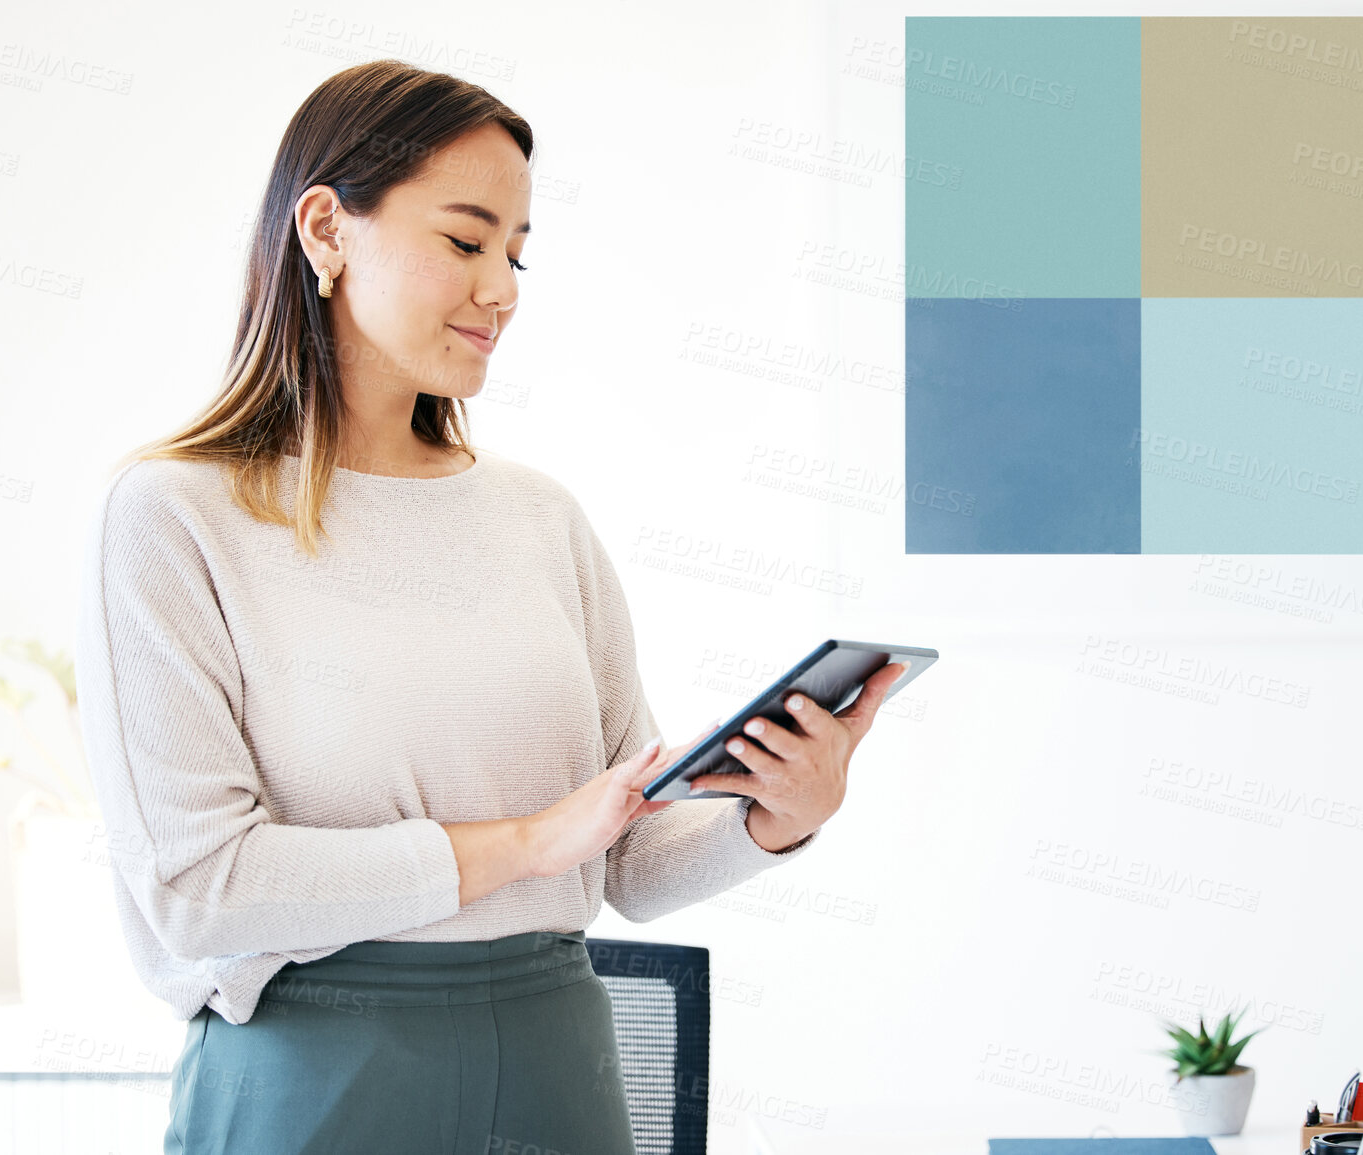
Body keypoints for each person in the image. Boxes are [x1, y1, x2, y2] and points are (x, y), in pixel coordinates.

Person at [71, 59, 905, 1154]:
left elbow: (626, 866)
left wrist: (777, 816)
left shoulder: (539, 518)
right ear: (326, 230)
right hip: (313, 1074)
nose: (503, 288)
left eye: (515, 252)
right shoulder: (175, 515)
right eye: (465, 242)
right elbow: (199, 889)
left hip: (558, 1059)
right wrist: (523, 841)